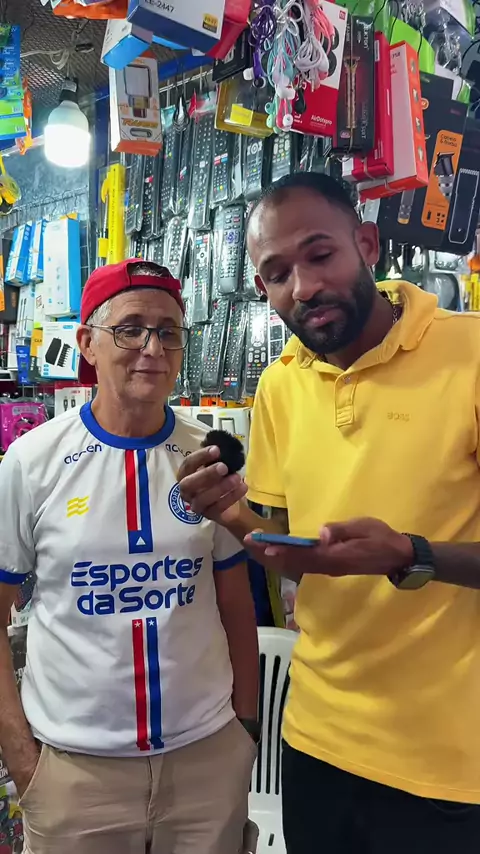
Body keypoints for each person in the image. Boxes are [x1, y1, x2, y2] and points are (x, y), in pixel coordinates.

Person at [178, 172, 480, 854]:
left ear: (367, 244)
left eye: (320, 255)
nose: (304, 286)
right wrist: (228, 512)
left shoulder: (469, 354)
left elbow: (401, 556)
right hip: (316, 741)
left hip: (446, 763)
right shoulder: (280, 383)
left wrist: (412, 554)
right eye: (277, 273)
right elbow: (293, 554)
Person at [0, 260, 259, 854]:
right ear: (87, 342)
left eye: (169, 331)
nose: (153, 348)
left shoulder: (208, 457)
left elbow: (235, 601)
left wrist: (244, 729)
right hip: (74, 775)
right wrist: (21, 757)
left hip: (207, 762)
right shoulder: (31, 462)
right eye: (130, 328)